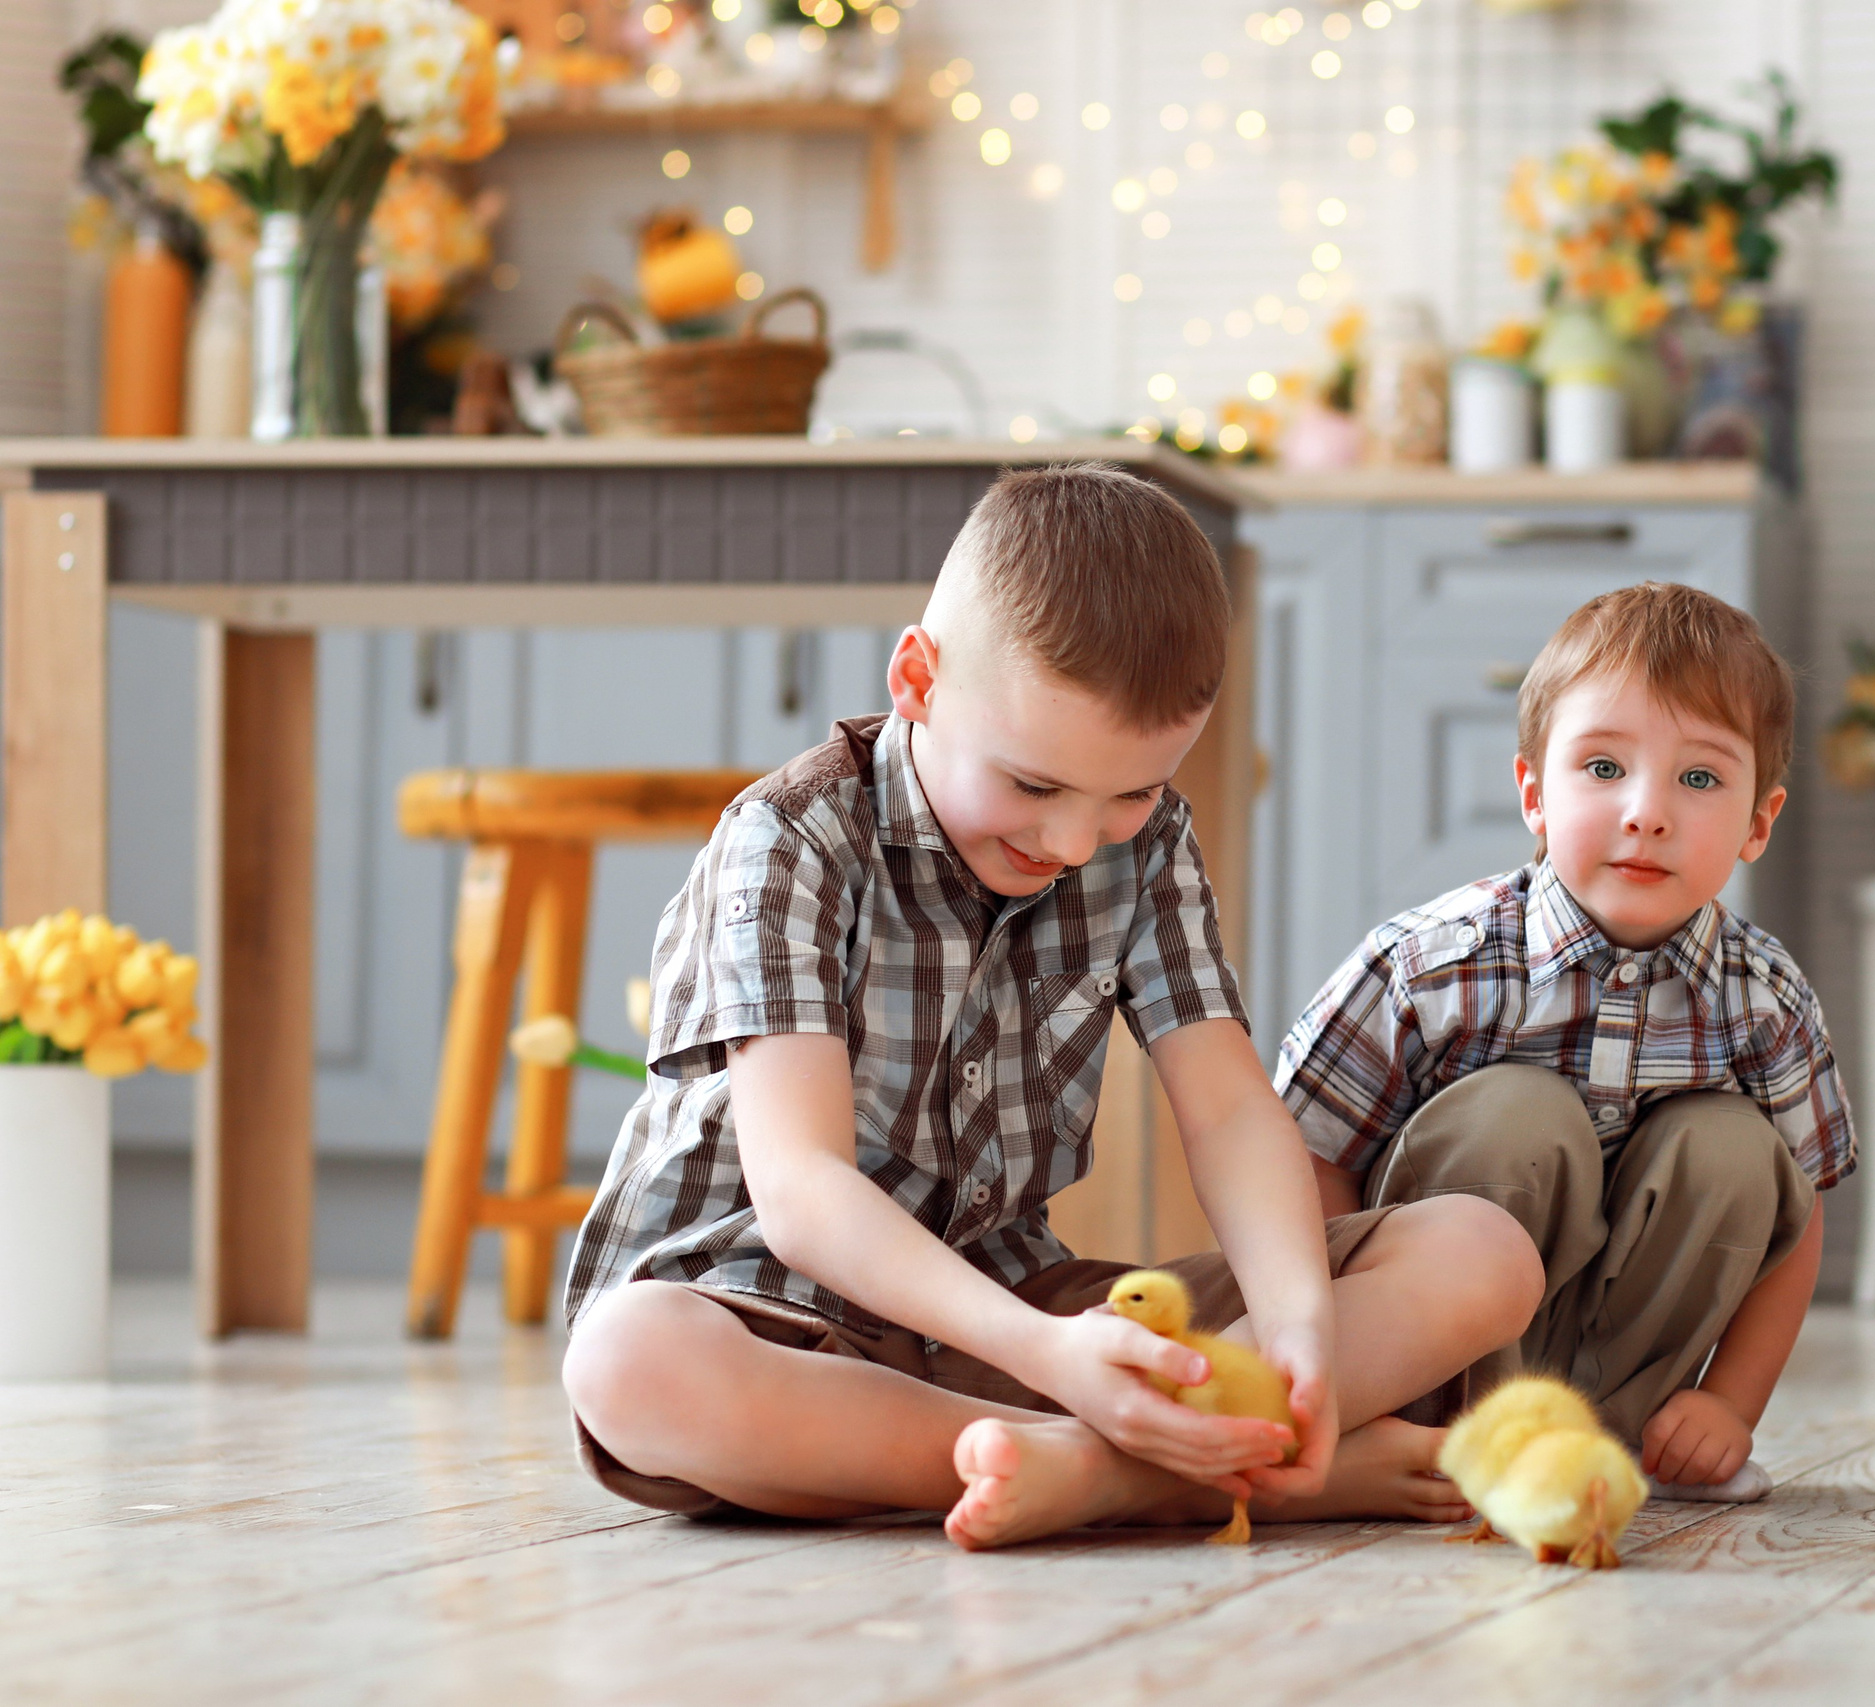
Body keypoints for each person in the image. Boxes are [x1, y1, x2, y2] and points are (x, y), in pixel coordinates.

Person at [561, 464, 1542, 1549]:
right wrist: (1052, 1363)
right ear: (917, 680)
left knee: (1482, 1249)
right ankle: (1150, 1471)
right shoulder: (789, 841)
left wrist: (1297, 1325)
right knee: (626, 1363)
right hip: (775, 1316)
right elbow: (801, 1192)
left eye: (1129, 792)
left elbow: (1224, 1110)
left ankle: (1116, 1461)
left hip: (1020, 1309)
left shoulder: (1148, 847)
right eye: (1032, 785)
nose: (1072, 843)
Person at [1273, 581, 1854, 1502]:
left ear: (1758, 823)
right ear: (1534, 793)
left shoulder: (1766, 1000)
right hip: (1437, 1368)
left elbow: (1799, 1215)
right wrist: (1349, 1369)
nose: (1647, 812)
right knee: (1518, 1114)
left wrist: (1731, 1405)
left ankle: (1609, 1445)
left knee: (1739, 1147)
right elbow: (1310, 1164)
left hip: (1629, 1395)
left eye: (1699, 778)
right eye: (1603, 768)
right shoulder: (1430, 965)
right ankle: (1460, 1433)